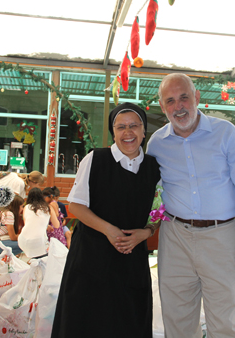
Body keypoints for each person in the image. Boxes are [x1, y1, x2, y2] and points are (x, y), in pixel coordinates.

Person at [146, 73, 235, 338]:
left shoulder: (226, 133)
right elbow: (145, 190)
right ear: (163, 108)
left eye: (184, 97)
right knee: (177, 320)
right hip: (175, 238)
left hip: (222, 237)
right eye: (170, 101)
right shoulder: (157, 144)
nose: (179, 106)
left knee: (225, 322)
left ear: (197, 98)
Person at [52, 103, 161, 338]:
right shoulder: (95, 160)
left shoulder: (154, 168)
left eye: (134, 126)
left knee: (128, 320)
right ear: (113, 132)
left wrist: (148, 232)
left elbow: (158, 209)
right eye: (121, 127)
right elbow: (75, 206)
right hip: (92, 258)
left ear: (144, 132)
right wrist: (109, 230)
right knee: (87, 322)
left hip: (131, 259)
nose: (127, 132)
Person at [18, 187, 59, 258]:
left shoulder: (26, 207)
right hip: (40, 242)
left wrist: (45, 226)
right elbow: (57, 225)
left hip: (23, 240)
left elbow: (28, 224)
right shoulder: (48, 208)